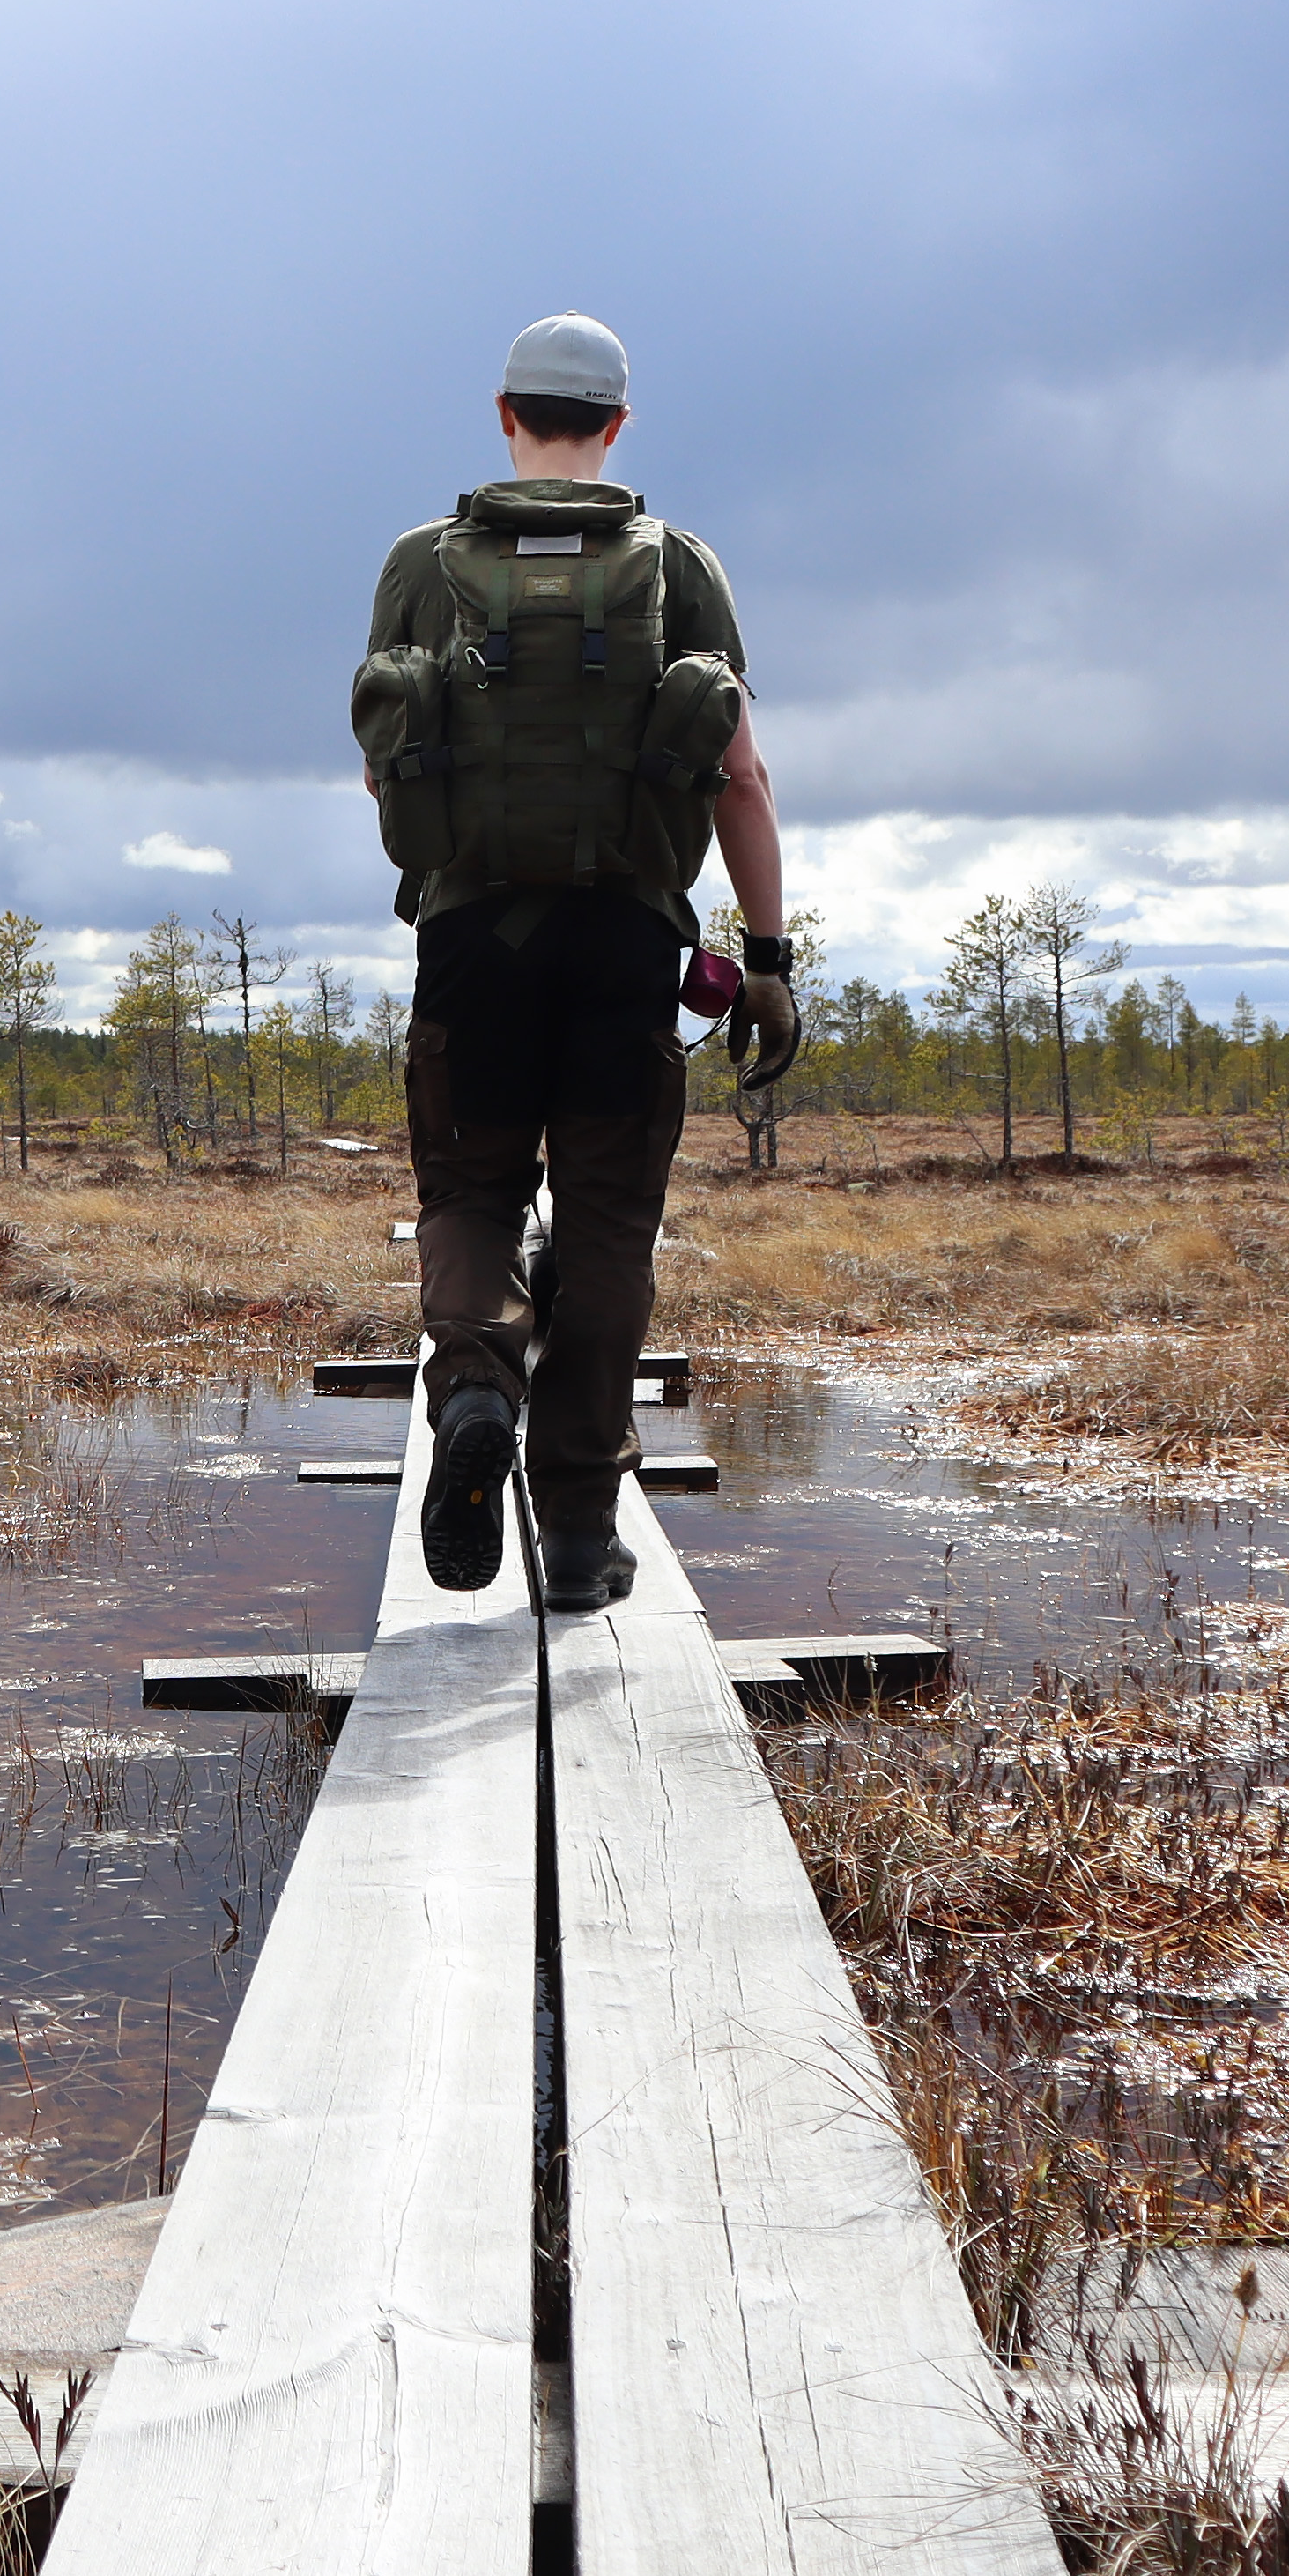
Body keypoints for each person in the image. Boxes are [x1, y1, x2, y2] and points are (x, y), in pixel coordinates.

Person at [350, 313, 798, 1610]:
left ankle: (479, 1388)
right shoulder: (681, 566)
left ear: (505, 413)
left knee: (473, 1197)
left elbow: (387, 762)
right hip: (627, 942)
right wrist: (764, 957)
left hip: (470, 939)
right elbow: (740, 775)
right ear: (617, 425)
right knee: (607, 1226)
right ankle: (587, 1537)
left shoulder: (422, 563)